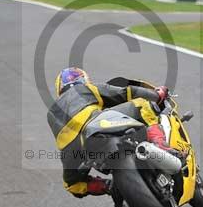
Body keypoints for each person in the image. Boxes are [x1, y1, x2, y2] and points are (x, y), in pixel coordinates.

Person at [47, 67, 173, 198]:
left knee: (73, 184)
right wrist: (156, 95)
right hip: (94, 125)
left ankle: (109, 187)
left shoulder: (51, 113)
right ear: (83, 79)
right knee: (142, 104)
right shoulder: (84, 89)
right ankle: (160, 143)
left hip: (71, 150)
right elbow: (125, 93)